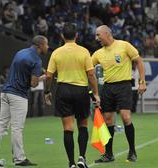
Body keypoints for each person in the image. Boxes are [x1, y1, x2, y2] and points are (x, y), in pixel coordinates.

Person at [0, 36, 49, 167]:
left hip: (5, 92)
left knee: (1, 125)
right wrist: (44, 77)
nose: (47, 47)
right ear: (40, 45)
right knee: (17, 128)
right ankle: (19, 159)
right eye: (46, 44)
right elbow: (33, 84)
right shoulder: (36, 60)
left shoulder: (20, 52)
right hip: (18, 95)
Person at [44, 23, 100, 168]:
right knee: (83, 125)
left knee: (68, 128)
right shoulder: (84, 52)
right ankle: (82, 157)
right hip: (80, 90)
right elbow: (91, 75)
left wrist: (47, 91)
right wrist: (95, 93)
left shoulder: (56, 52)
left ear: (62, 36)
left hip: (63, 90)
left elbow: (49, 75)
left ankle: (71, 163)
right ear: (76, 36)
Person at [92, 25, 146, 163]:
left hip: (124, 85)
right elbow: (88, 68)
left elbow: (139, 61)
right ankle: (108, 154)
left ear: (106, 33)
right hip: (108, 88)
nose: (96, 38)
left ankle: (132, 151)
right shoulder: (98, 54)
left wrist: (142, 81)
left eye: (98, 35)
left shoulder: (124, 45)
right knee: (108, 120)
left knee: (125, 117)